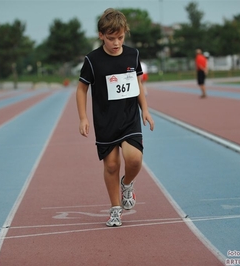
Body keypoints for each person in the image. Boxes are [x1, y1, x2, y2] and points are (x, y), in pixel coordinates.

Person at [76, 8, 154, 227]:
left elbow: (138, 83)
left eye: (120, 37)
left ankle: (127, 184)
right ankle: (115, 209)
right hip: (105, 120)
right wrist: (83, 118)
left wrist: (145, 109)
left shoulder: (133, 55)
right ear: (101, 35)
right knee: (111, 165)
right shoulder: (92, 61)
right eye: (111, 38)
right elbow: (81, 89)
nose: (116, 43)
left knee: (135, 159)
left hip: (129, 117)